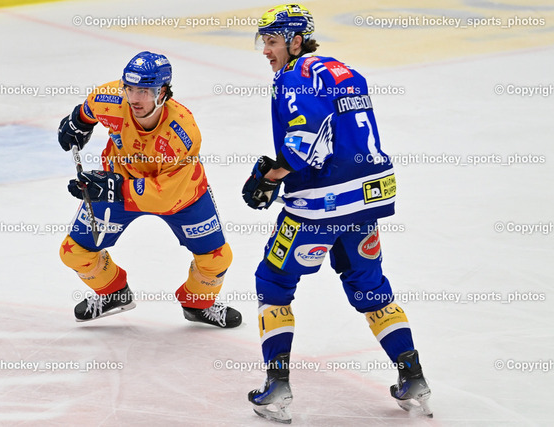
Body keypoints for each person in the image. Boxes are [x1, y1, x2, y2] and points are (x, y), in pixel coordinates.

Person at [242, 4, 431, 423]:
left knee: (273, 281)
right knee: (369, 284)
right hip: (368, 195)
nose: (266, 51)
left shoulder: (294, 78)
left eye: (272, 42)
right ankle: (412, 375)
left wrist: (270, 177)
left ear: (294, 41)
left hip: (322, 203)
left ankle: (277, 387)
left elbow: (306, 138)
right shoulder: (343, 69)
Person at [58, 51, 242, 329]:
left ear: (163, 92)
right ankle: (112, 293)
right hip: (118, 180)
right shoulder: (112, 97)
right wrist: (78, 122)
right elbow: (88, 110)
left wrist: (112, 188)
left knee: (216, 259)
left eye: (144, 91)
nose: (134, 98)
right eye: (130, 88)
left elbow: (165, 195)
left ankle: (198, 303)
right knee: (74, 252)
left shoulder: (183, 131)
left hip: (181, 194)